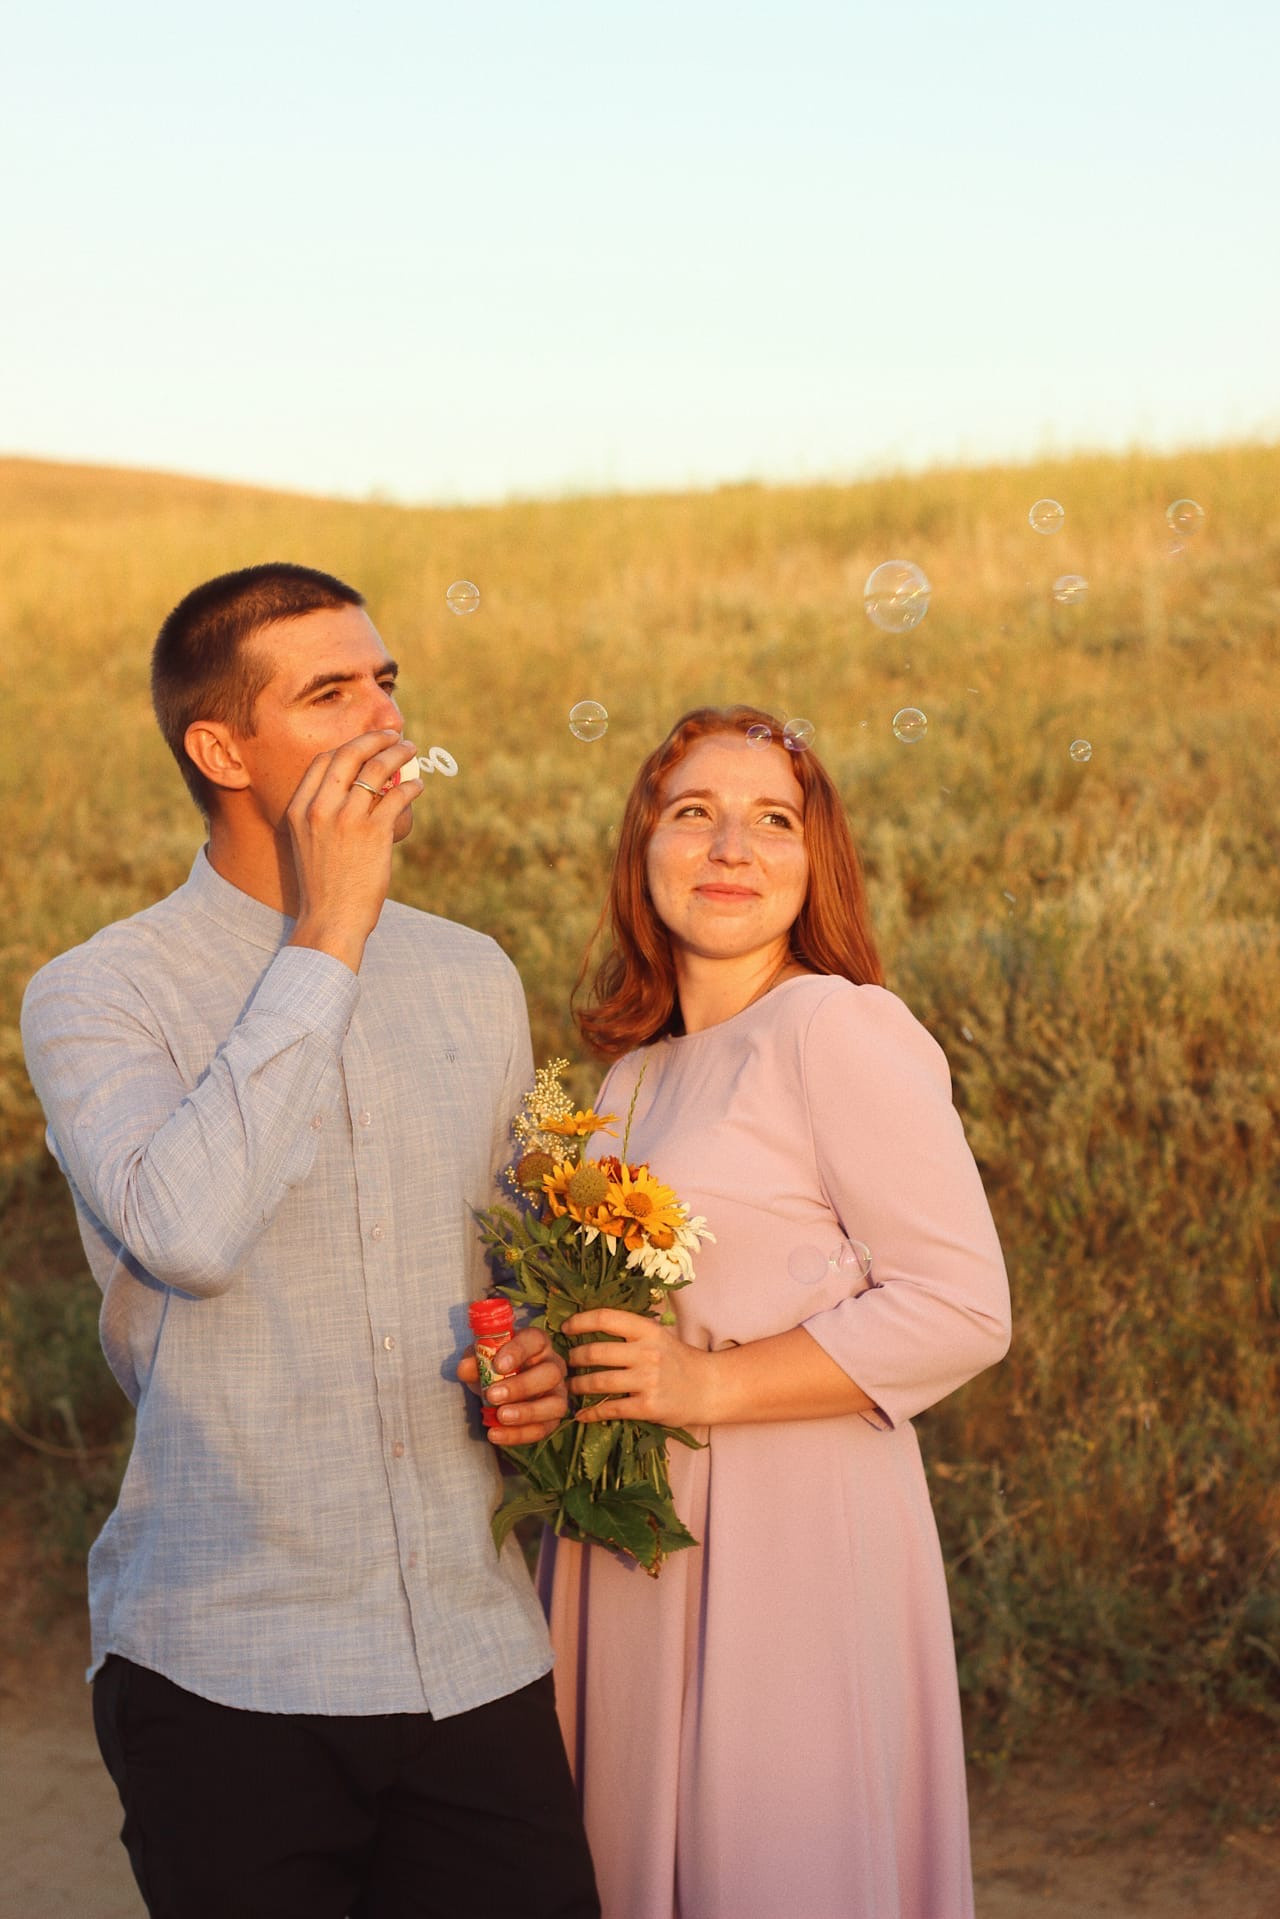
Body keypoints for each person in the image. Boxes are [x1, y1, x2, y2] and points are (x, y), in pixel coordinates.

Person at [21, 563, 599, 1919]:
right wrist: (331, 922)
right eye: (331, 691)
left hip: (475, 1651)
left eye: (388, 679)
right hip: (228, 1664)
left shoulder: (475, 972)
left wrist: (549, 1367)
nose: (382, 716)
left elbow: (511, 1274)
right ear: (221, 748)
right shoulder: (99, 992)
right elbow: (191, 1232)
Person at [538, 705, 1011, 1919]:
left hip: (792, 1525)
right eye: (691, 814)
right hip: (633, 1537)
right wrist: (550, 1373)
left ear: (814, 865)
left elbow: (959, 1305)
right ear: (642, 852)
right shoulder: (631, 1071)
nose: (729, 846)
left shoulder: (836, 1026)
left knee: (768, 1861)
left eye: (771, 820)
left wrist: (706, 1385)